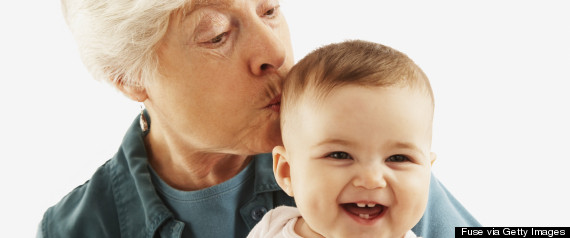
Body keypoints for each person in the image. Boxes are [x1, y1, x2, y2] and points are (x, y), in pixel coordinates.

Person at [39, 0, 480, 237]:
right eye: (217, 34)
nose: (275, 51)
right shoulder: (77, 228)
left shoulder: (365, 155)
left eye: (269, 10)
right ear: (132, 78)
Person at [248, 40, 437, 238]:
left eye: (398, 158)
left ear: (427, 172)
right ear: (287, 172)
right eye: (340, 155)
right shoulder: (272, 228)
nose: (371, 179)